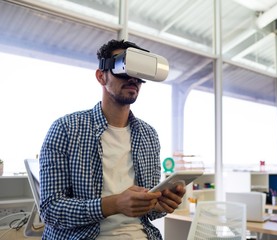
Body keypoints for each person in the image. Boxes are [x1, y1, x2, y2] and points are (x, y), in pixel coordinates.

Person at [39, 39, 186, 240]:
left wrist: (160, 204)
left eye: (139, 73)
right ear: (101, 76)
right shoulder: (66, 128)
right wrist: (115, 203)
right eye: (124, 68)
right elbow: (50, 210)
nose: (133, 78)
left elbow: (150, 212)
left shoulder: (149, 136)